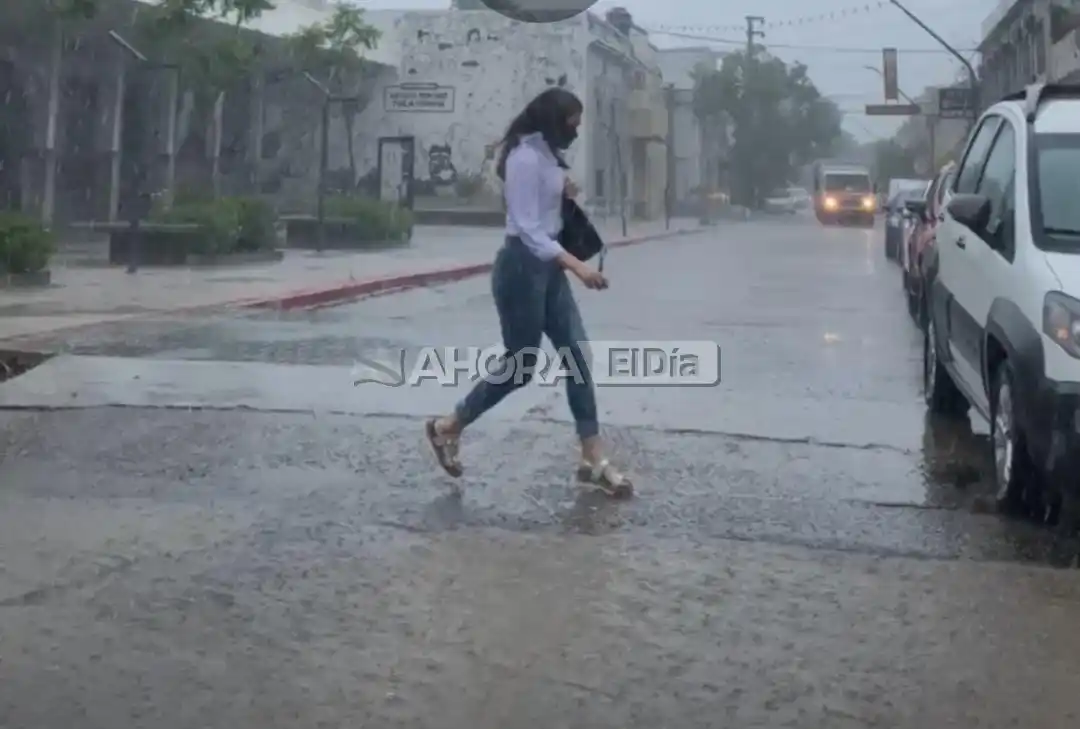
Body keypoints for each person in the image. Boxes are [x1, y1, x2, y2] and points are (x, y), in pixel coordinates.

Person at [425, 87, 633, 497]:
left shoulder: (547, 154)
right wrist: (577, 266)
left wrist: (563, 193)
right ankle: (448, 426)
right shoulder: (524, 158)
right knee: (521, 366)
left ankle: (592, 456)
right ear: (553, 121)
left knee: (577, 356)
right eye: (570, 124)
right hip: (522, 267)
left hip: (549, 267)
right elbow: (527, 228)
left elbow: (545, 215)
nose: (575, 132)